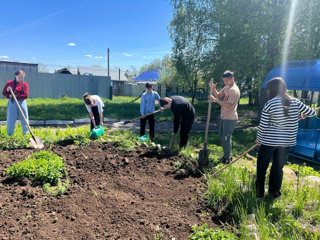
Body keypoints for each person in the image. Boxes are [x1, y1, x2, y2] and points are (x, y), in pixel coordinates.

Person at [255, 77, 315, 200]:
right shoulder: (295, 102)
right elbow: (312, 112)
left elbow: (263, 125)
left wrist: (258, 140)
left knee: (262, 166)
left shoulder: (270, 103)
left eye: (268, 90)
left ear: (272, 90)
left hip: (269, 141)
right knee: (278, 167)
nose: (267, 92)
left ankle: (259, 194)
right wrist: (304, 113)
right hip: (286, 143)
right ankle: (274, 193)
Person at [209, 70, 240, 163]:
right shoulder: (227, 87)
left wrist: (214, 100)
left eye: (227, 81)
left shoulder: (233, 90)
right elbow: (218, 95)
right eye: (224, 81)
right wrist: (213, 88)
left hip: (230, 117)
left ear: (232, 79)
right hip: (224, 116)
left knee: (226, 137)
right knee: (221, 137)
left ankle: (227, 158)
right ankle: (226, 155)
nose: (225, 83)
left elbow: (229, 105)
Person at [2, 70, 29, 136]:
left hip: (22, 102)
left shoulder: (25, 84)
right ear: (15, 76)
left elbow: (26, 95)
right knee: (11, 119)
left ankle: (26, 135)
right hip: (12, 102)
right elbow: (4, 93)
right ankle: (10, 135)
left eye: (22, 77)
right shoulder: (9, 83)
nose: (21, 79)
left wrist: (17, 96)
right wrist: (7, 91)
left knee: (24, 119)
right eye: (19, 77)